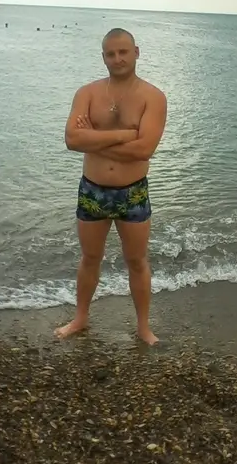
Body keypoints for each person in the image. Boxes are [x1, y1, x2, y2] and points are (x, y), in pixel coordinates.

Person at [54, 28, 167, 345]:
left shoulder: (153, 97)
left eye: (123, 52)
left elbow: (144, 149)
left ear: (136, 52)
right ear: (103, 57)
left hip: (133, 192)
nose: (117, 59)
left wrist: (94, 139)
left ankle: (143, 327)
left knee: (137, 261)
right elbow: (72, 139)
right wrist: (125, 134)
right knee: (90, 258)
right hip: (93, 190)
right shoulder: (87, 93)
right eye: (110, 53)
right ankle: (80, 318)